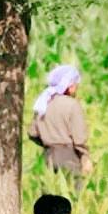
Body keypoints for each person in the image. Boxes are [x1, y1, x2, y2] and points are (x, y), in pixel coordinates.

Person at [29, 64, 92, 193]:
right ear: (69, 86)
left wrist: (47, 143)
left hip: (48, 155)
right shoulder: (72, 105)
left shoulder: (44, 102)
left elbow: (32, 133)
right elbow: (79, 139)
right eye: (75, 84)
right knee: (73, 194)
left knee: (49, 195)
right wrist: (85, 158)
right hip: (69, 155)